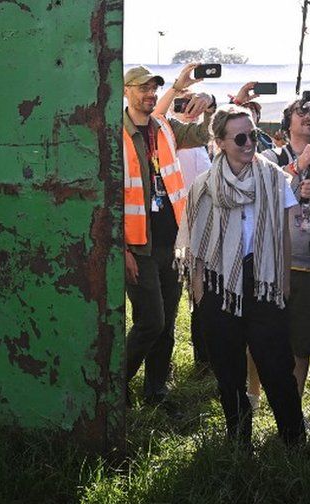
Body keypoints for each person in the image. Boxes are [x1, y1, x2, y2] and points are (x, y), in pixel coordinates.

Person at [177, 104, 306, 447]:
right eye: (239, 137)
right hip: (219, 284)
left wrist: (285, 280)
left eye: (253, 134)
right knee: (229, 372)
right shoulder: (203, 187)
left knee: (277, 367)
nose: (250, 143)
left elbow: (283, 234)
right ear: (219, 142)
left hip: (263, 281)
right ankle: (239, 442)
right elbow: (195, 245)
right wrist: (201, 292)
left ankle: (293, 440)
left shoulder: (274, 177)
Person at [243, 100, 310, 407]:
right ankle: (253, 395)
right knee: (260, 335)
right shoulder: (270, 157)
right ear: (287, 121)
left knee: (302, 342)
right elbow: (261, 193)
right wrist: (298, 166)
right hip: (271, 264)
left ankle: (292, 404)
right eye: (301, 112)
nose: (308, 117)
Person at [122, 64, 215, 407]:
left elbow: (201, 136)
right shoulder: (114, 133)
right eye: (142, 88)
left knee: (167, 322)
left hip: (172, 242)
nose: (149, 94)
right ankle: (115, 384)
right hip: (138, 245)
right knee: (151, 322)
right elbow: (111, 198)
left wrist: (207, 106)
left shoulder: (164, 127)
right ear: (126, 92)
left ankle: (156, 391)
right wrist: (123, 250)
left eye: (153, 89)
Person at [154, 88, 214, 373]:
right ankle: (169, 365)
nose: (189, 107)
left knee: (202, 295)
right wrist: (176, 88)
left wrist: (209, 101)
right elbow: (156, 115)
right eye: (183, 102)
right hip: (179, 231)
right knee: (176, 301)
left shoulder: (199, 141)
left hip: (203, 229)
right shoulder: (167, 137)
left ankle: (204, 358)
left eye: (193, 102)